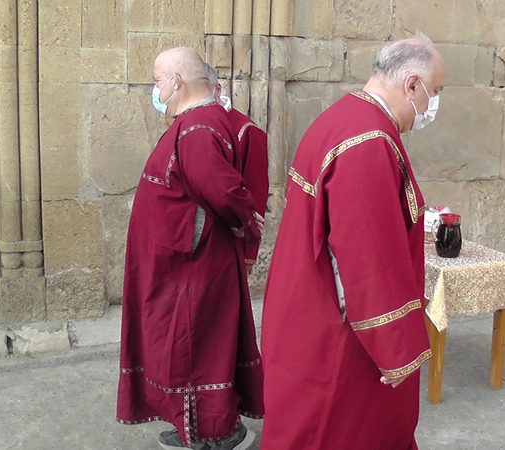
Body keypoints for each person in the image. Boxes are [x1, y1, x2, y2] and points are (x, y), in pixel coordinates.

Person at [259, 34, 446, 450]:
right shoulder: (369, 140)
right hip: (337, 335)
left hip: (303, 308)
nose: (433, 104)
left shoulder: (343, 117)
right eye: (434, 92)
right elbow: (365, 253)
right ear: (411, 85)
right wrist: (395, 346)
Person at [116, 47, 264, 450]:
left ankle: (214, 436)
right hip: (183, 265)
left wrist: (247, 227)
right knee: (189, 346)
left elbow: (221, 190)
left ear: (176, 81)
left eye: (156, 80)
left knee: (195, 348)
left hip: (193, 267)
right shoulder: (197, 122)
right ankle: (196, 426)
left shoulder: (198, 124)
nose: (155, 89)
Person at [204, 63, 269, 275]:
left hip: (230, 238)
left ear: (217, 89)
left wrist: (250, 250)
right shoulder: (190, 123)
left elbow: (256, 190)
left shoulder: (247, 131)